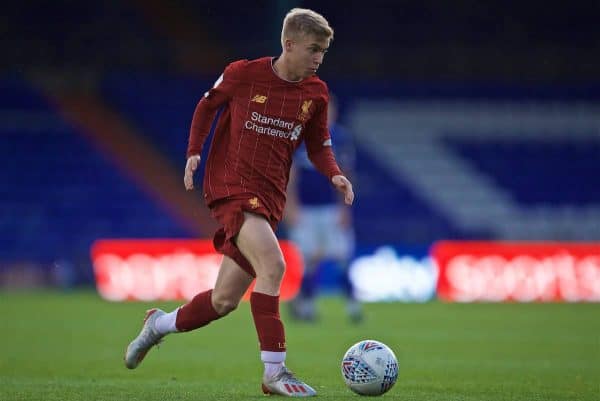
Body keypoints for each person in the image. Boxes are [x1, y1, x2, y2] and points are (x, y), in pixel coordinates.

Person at [124, 8, 354, 398]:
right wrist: (194, 151)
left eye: (324, 52)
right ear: (289, 44)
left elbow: (319, 145)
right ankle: (274, 372)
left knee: (223, 300)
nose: (319, 58)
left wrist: (334, 173)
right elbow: (207, 106)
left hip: (269, 198)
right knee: (275, 264)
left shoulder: (316, 93)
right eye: (314, 49)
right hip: (230, 187)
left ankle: (158, 326)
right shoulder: (243, 73)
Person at [285, 94, 362, 323]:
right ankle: (306, 306)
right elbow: (291, 175)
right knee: (310, 258)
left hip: (331, 208)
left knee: (341, 256)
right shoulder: (300, 137)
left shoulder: (341, 138)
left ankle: (352, 306)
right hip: (306, 210)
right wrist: (290, 206)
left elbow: (346, 174)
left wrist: (345, 208)